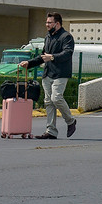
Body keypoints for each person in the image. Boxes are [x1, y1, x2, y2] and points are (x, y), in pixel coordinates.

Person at [18, 12, 77, 140]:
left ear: (57, 24)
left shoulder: (67, 37)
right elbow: (43, 56)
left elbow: (68, 53)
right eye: (46, 22)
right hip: (48, 73)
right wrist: (29, 63)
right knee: (48, 102)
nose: (47, 25)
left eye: (49, 23)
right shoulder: (48, 37)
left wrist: (53, 57)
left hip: (61, 73)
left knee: (56, 98)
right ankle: (51, 131)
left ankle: (70, 121)